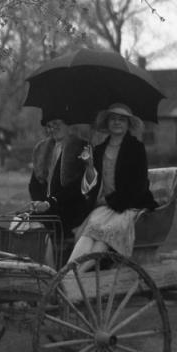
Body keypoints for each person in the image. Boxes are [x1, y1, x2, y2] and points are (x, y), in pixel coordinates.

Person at [67, 103, 157, 263]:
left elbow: (139, 185)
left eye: (122, 119)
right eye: (113, 119)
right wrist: (87, 166)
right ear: (107, 123)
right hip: (103, 208)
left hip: (128, 206)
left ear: (128, 124)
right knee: (89, 234)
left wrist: (110, 201)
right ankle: (69, 273)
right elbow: (89, 185)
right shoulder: (98, 150)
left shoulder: (136, 149)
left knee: (103, 237)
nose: (117, 122)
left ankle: (73, 276)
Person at [28, 115, 95, 266]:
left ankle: (51, 272)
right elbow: (34, 184)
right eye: (50, 126)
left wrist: (51, 203)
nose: (53, 129)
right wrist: (40, 202)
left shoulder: (81, 147)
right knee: (20, 222)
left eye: (57, 124)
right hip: (47, 208)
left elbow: (78, 187)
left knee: (35, 224)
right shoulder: (42, 149)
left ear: (68, 124)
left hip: (70, 208)